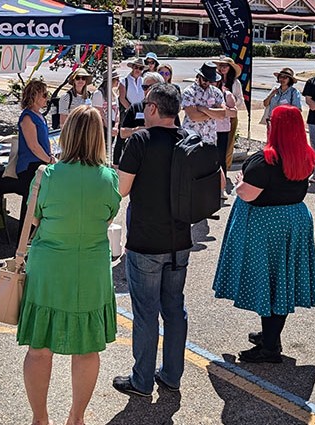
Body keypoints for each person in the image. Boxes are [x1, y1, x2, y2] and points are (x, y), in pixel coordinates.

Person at [17, 105, 121, 425]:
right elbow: (108, 217)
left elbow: (33, 219)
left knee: (39, 348)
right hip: (90, 268)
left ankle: (40, 418)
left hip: (49, 267)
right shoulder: (108, 178)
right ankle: (76, 417)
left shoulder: (46, 175)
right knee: (87, 349)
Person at [212, 105, 315, 363]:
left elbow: (247, 194)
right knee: (280, 283)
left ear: (277, 126)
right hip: (293, 220)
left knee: (269, 283)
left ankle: (270, 348)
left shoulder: (265, 159)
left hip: (267, 225)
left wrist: (238, 182)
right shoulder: (305, 154)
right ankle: (271, 336)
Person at [113, 83, 191, 397]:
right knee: (174, 310)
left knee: (146, 312)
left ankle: (142, 380)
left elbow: (121, 189)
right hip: (180, 240)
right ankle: (171, 375)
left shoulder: (141, 140)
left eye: (146, 104)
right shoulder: (189, 140)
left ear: (154, 109)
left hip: (146, 239)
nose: (143, 109)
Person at [16, 80, 56, 238]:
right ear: (34, 96)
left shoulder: (39, 115)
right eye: (44, 95)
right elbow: (33, 145)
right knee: (30, 204)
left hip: (40, 163)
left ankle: (34, 237)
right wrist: (48, 159)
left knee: (39, 204)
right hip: (30, 166)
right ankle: (24, 238)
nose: (47, 98)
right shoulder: (27, 117)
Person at [115, 73, 173, 165]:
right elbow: (122, 133)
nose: (148, 90)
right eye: (144, 87)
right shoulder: (136, 107)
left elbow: (176, 129)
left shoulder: (168, 108)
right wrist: (138, 130)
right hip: (137, 157)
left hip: (162, 156)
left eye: (151, 87)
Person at [213, 56, 247, 170]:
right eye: (221, 65)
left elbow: (240, 100)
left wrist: (230, 101)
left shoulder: (235, 83)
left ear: (230, 68)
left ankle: (226, 166)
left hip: (230, 115)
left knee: (228, 142)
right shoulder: (214, 80)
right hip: (215, 115)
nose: (222, 68)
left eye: (225, 66)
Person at [182, 61, 227, 144]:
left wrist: (203, 109)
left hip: (210, 138)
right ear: (199, 76)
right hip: (192, 137)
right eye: (205, 79)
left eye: (210, 81)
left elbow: (222, 114)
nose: (207, 83)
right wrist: (213, 113)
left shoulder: (216, 92)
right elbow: (194, 116)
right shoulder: (189, 92)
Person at [214, 77, 238, 194]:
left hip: (221, 130)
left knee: (220, 158)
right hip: (205, 130)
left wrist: (220, 110)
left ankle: (221, 187)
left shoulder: (226, 94)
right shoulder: (203, 93)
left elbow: (234, 113)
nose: (211, 82)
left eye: (214, 80)